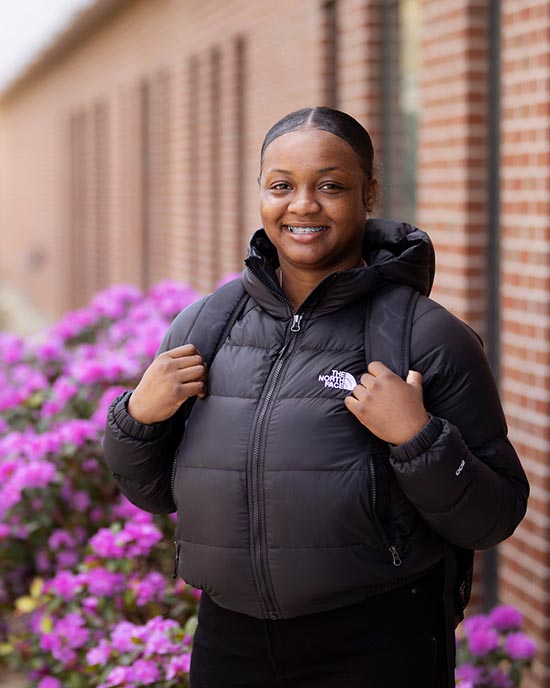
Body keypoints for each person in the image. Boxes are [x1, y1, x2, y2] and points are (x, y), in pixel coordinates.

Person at [103, 107, 529, 687]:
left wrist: (418, 438)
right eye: (282, 186)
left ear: (368, 192)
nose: (303, 205)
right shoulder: (204, 326)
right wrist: (137, 419)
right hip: (230, 642)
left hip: (376, 642)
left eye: (330, 185)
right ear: (261, 192)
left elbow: (494, 515)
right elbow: (152, 494)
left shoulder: (427, 338)